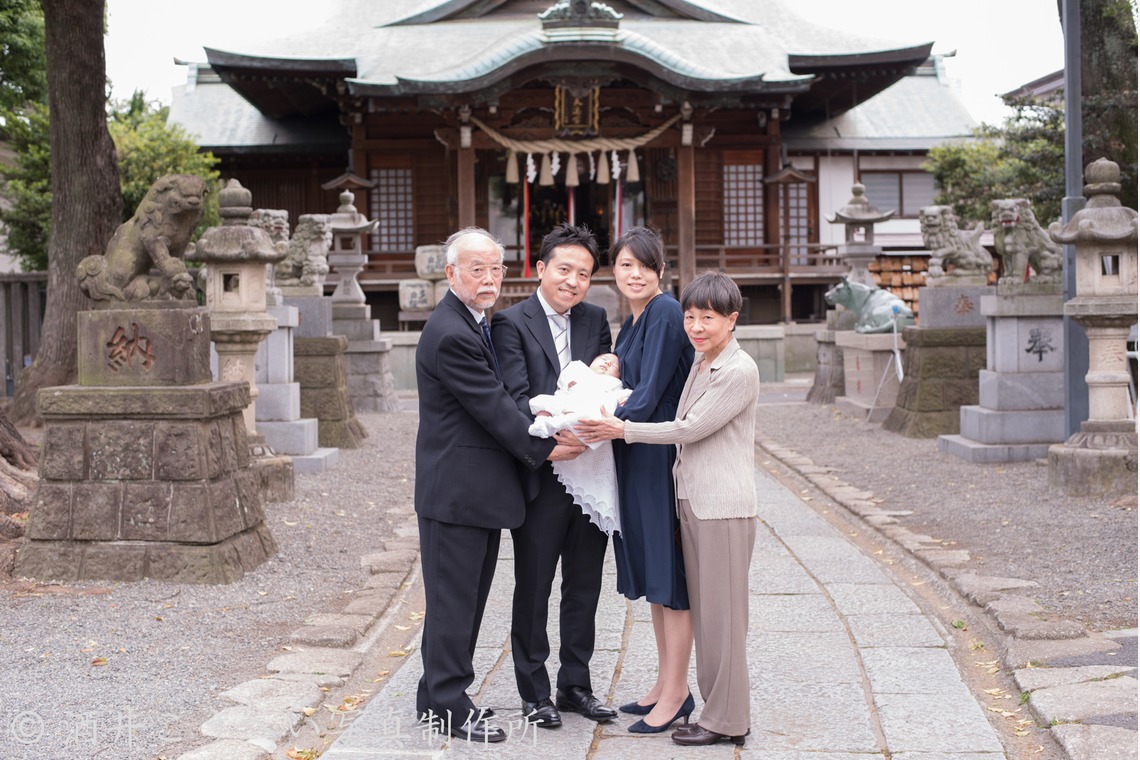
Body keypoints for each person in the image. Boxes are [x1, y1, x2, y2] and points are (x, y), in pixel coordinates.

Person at [414, 227, 583, 743]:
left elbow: (504, 401)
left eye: (495, 269)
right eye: (476, 269)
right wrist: (548, 448)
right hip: (456, 493)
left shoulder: (474, 321)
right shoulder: (452, 332)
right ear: (451, 274)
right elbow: (494, 407)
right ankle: (447, 704)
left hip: (474, 493)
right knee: (454, 602)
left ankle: (436, 697)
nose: (488, 280)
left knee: (460, 600)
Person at [577, 271, 760, 747]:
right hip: (695, 502)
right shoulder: (703, 363)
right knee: (709, 613)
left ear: (731, 320)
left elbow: (690, 427)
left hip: (722, 507)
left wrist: (624, 431)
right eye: (691, 317)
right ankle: (715, 710)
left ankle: (727, 720)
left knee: (723, 619)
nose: (697, 326)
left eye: (709, 318)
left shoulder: (738, 370)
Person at [490, 223, 618, 729]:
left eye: (583, 274)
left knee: (585, 583)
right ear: (540, 269)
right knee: (535, 583)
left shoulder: (595, 319)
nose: (573, 281)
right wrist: (551, 441)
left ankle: (575, 685)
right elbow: (515, 398)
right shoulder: (511, 323)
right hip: (544, 473)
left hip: (588, 470)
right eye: (564, 269)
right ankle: (534, 690)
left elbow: (606, 385)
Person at [606, 226, 696, 734]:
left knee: (670, 574)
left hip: (658, 452)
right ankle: (665, 683)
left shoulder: (663, 312)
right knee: (656, 579)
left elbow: (648, 392)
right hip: (634, 450)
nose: (633, 273)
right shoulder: (632, 320)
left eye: (643, 265)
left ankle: (679, 690)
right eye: (624, 265)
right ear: (614, 272)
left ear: (659, 271)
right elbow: (625, 384)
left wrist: (603, 419)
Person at [528, 352, 629, 536]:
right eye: (603, 359)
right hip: (566, 410)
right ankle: (545, 425)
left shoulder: (615, 386)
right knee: (546, 404)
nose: (607, 363)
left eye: (614, 365)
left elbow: (623, 402)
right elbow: (562, 384)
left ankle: (562, 424)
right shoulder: (578, 369)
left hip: (591, 421)